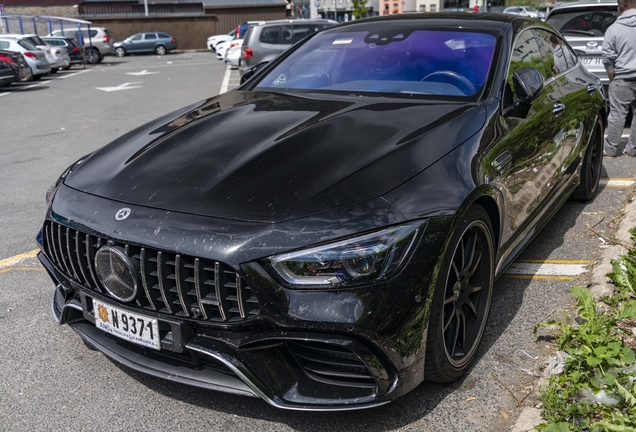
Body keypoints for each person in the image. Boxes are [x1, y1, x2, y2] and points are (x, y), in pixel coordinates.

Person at [602, 0, 636, 157]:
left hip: (622, 77)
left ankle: (610, 149)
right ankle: (632, 149)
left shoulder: (613, 29)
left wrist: (612, 78)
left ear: (619, 9)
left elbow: (608, 58)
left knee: (617, 115)